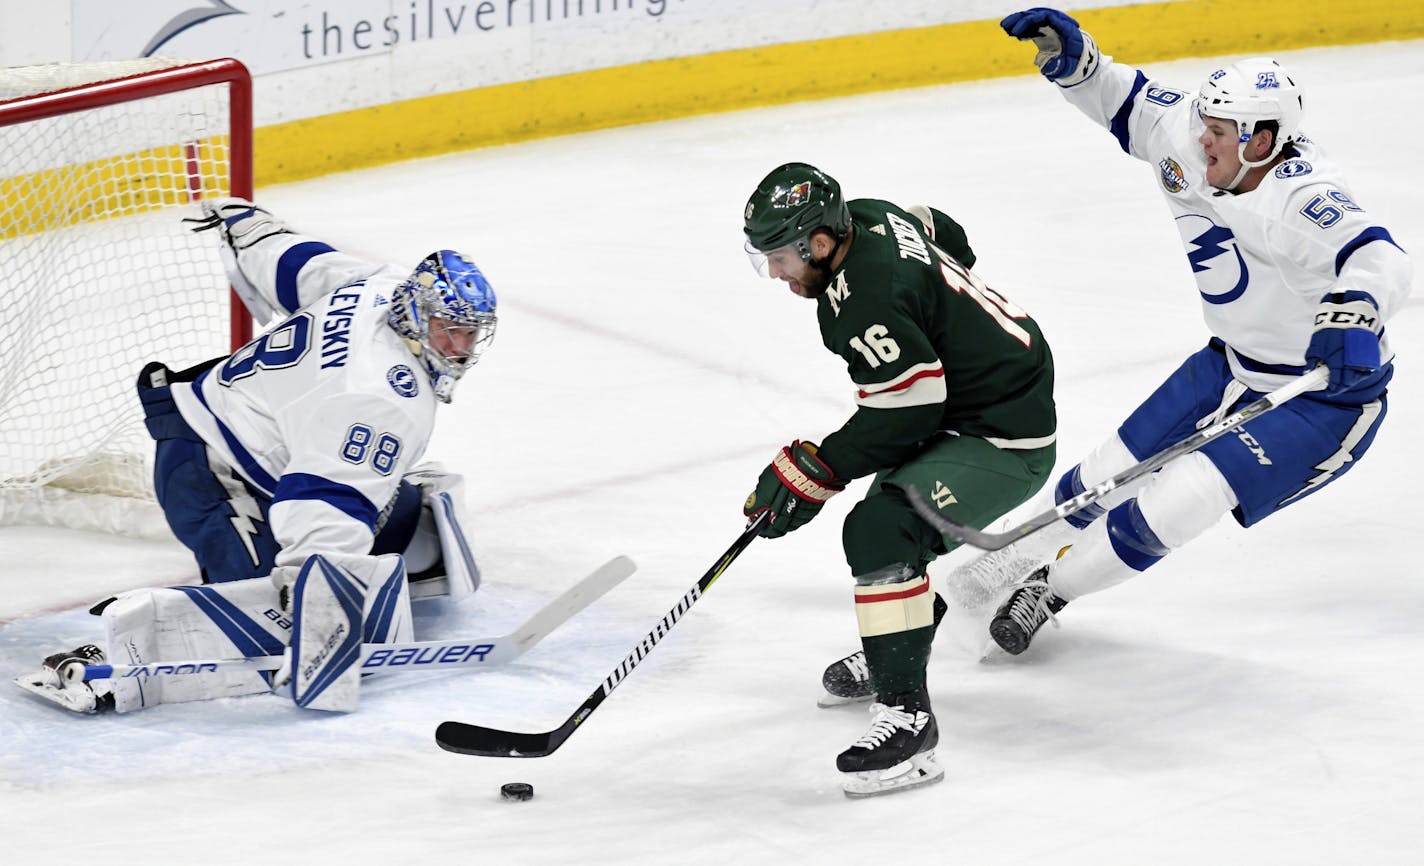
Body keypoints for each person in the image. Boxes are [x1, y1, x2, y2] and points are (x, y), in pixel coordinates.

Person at [961, 8, 1412, 656]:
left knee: (1176, 503)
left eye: (1222, 132)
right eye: (1206, 124)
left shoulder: (1301, 196)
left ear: (1262, 141)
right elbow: (1131, 100)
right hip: (1231, 363)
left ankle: (1052, 587)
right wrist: (1077, 62)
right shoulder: (1194, 135)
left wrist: (1352, 312)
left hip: (1321, 402)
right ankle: (991, 571)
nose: (1204, 141)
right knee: (1101, 475)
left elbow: (1380, 258)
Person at [14, 198, 497, 714]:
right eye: (451, 329)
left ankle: (379, 534)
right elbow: (323, 506)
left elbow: (299, 266)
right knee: (266, 625)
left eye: (471, 332)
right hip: (211, 466)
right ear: (415, 315)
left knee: (402, 533)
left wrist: (254, 232)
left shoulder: (381, 286)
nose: (461, 347)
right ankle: (106, 663)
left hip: (258, 433)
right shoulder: (381, 399)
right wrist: (318, 611)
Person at [739, 163, 1057, 797]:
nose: (775, 273)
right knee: (887, 529)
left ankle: (910, 726)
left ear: (820, 243)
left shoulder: (866, 301)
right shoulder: (872, 211)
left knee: (882, 530)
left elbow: (910, 410)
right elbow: (944, 231)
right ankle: (899, 644)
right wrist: (957, 315)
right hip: (976, 405)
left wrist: (819, 470)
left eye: (780, 257)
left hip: (1003, 436)